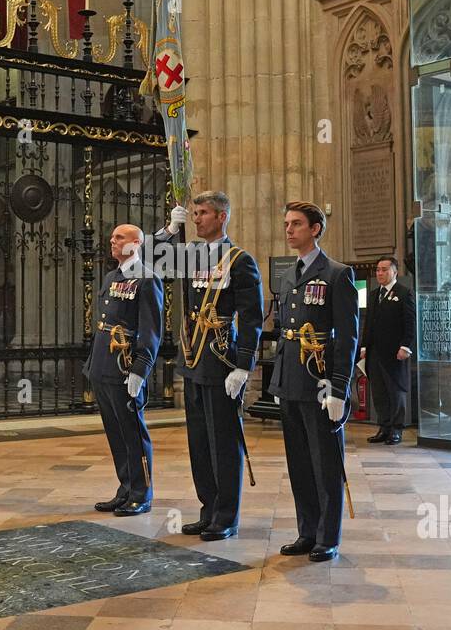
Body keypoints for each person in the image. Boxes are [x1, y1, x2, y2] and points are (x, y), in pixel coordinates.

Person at [156, 192, 263, 541]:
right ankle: (208, 509)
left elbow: (251, 319)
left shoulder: (239, 260)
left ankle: (227, 515)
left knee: (223, 444)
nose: (197, 219)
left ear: (221, 217)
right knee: (199, 443)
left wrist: (243, 367)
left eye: (202, 213)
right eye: (195, 213)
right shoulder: (192, 256)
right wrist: (169, 230)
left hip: (221, 360)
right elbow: (145, 261)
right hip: (194, 361)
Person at [268, 201, 359, 562]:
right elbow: (285, 333)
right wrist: (279, 381)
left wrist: (339, 387)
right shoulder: (290, 274)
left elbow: (348, 336)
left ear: (316, 228)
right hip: (291, 382)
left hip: (320, 384)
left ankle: (327, 536)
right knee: (299, 463)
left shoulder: (337, 273)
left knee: (324, 463)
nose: (289, 230)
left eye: (297, 224)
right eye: (287, 223)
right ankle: (307, 531)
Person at [85, 224, 164, 516]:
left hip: (125, 366)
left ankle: (141, 492)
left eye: (119, 237)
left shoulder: (147, 279)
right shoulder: (111, 276)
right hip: (103, 364)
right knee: (115, 432)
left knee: (132, 432)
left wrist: (140, 371)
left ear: (136, 243)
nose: (112, 241)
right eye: (112, 236)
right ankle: (125, 488)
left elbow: (150, 331)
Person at [360, 255, 415, 445]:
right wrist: (364, 346)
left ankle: (396, 430)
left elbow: (410, 323)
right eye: (378, 270)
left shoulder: (404, 292)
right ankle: (383, 427)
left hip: (395, 353)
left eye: (384, 269)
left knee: (395, 391)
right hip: (375, 353)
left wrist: (406, 346)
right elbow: (368, 324)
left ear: (395, 272)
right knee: (379, 392)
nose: (380, 273)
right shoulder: (374, 294)